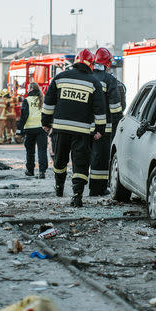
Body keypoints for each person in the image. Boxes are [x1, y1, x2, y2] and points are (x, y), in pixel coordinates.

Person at [41, 48, 106, 207]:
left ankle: (59, 188)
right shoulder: (94, 83)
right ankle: (77, 196)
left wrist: (45, 122)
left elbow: (49, 103)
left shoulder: (60, 78)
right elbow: (100, 109)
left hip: (61, 129)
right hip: (82, 132)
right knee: (80, 163)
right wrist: (100, 129)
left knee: (60, 160)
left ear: (75, 62)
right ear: (91, 65)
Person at [89, 47, 123, 196]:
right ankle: (98, 189)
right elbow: (115, 107)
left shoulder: (87, 76)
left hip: (85, 126)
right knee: (101, 158)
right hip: (105, 127)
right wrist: (118, 122)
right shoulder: (110, 80)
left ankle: (83, 186)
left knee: (86, 156)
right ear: (108, 62)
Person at [16, 82, 48, 178]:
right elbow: (47, 113)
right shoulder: (42, 99)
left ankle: (30, 171)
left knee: (30, 151)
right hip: (41, 129)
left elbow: (23, 116)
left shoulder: (27, 100)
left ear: (30, 89)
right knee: (42, 150)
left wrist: (19, 130)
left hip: (29, 129)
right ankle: (42, 172)